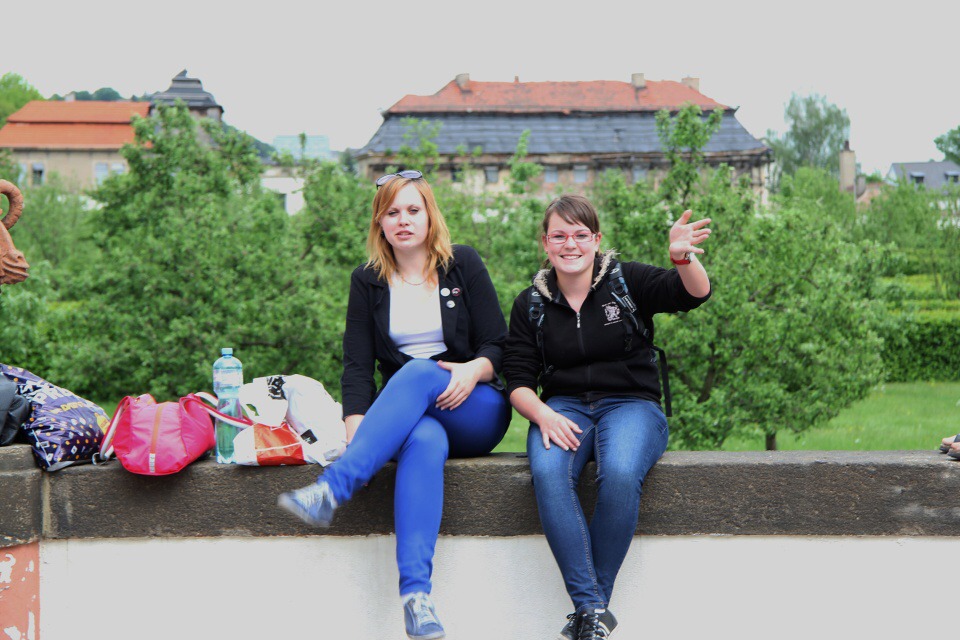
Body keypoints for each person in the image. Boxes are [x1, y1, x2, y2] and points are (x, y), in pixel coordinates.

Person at [278, 170, 511, 640]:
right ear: (379, 223)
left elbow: (499, 344)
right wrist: (358, 437)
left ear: (429, 216)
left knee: (421, 371)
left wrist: (472, 370)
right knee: (423, 439)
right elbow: (357, 368)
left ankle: (333, 489)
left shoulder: (463, 263)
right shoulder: (367, 281)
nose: (403, 220)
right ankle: (417, 600)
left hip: (476, 405)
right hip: (415, 417)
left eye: (413, 210)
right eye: (392, 212)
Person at [502, 195, 712, 640]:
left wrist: (681, 257)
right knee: (548, 472)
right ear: (546, 243)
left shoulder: (626, 280)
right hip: (563, 407)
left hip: (632, 404)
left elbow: (694, 293)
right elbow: (517, 380)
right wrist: (543, 415)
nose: (570, 244)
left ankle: (588, 610)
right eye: (559, 235)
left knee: (618, 472)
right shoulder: (530, 304)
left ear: (597, 240)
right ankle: (593, 609)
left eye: (581, 234)